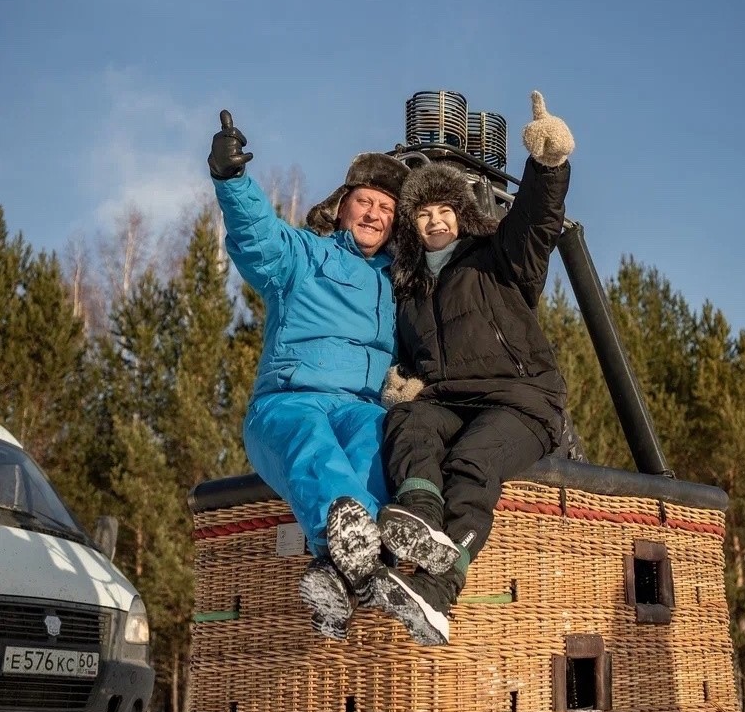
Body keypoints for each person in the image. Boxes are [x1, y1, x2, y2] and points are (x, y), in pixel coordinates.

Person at [334, 91, 575, 645]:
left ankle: (441, 592)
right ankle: (419, 516)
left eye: (444, 210)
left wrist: (547, 165)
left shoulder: (498, 258)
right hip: (449, 401)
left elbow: (538, 222)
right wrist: (400, 376)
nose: (435, 220)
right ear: (412, 225)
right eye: (423, 212)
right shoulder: (410, 286)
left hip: (521, 401)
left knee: (470, 463)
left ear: (460, 215)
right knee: (407, 421)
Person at [207, 109, 409, 639]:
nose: (374, 213)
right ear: (342, 208)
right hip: (289, 401)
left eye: (386, 208)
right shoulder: (304, 255)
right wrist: (232, 180)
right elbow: (258, 236)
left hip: (359, 406)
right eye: (365, 200)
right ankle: (349, 537)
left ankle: (337, 575)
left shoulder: (396, 287)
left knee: (377, 444)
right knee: (311, 443)